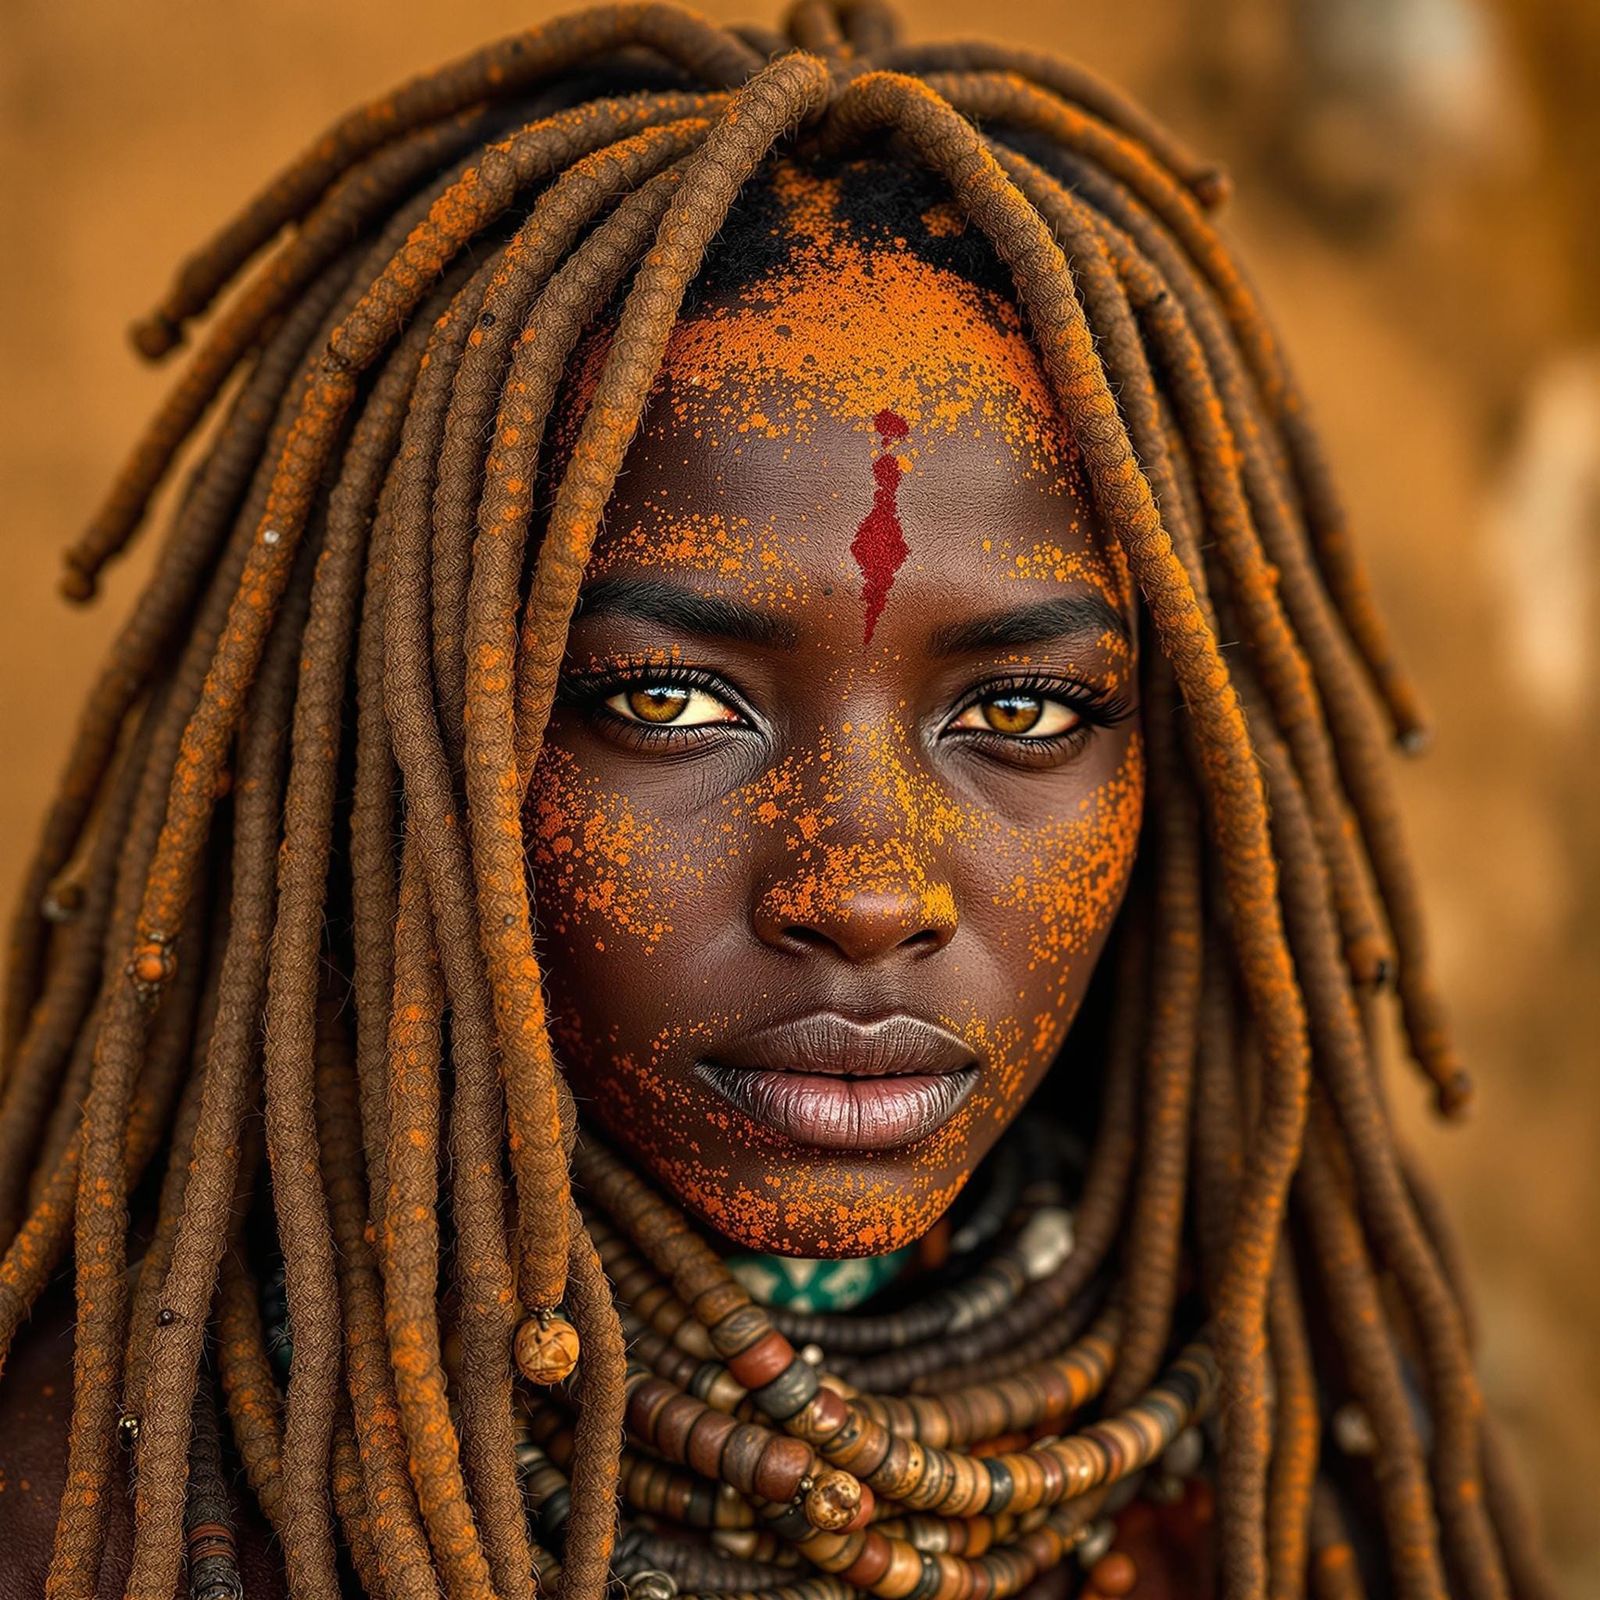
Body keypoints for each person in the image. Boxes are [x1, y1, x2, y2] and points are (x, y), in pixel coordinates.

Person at [0, 3, 1556, 1597]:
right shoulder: (134, 1516)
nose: (868, 887)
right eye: (669, 703)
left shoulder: (1303, 1475)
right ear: (410, 739)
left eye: (1022, 710)